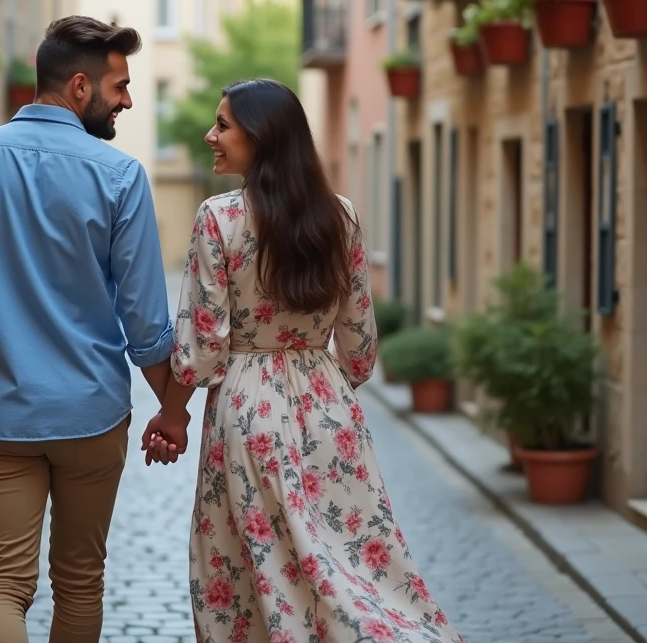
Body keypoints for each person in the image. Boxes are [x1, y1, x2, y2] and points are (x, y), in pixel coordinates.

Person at [143, 79, 465, 643]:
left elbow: (204, 341)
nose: (209, 135)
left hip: (246, 409)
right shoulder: (341, 218)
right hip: (329, 408)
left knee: (251, 573)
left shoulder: (219, 219)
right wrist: (321, 381)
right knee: (351, 564)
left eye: (223, 125)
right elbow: (361, 348)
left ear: (261, 138)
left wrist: (172, 415)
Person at [0, 15, 183, 643]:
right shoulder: (119, 176)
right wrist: (172, 406)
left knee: (1, 585)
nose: (129, 100)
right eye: (120, 87)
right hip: (92, 411)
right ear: (80, 87)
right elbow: (145, 321)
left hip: (1, 412)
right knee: (81, 580)